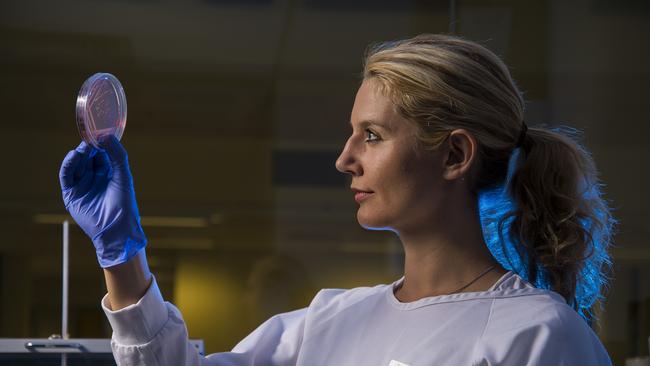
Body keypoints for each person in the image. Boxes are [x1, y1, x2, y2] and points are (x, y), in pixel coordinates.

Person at [58, 34, 614, 365]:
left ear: (454, 155)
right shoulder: (328, 320)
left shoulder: (540, 334)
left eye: (371, 136)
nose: (345, 159)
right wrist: (120, 253)